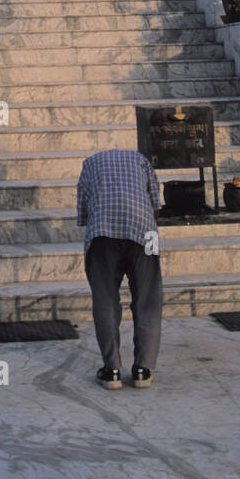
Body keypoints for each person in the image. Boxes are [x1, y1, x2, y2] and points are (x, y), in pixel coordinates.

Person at [76, 147, 163, 389]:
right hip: (143, 230)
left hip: (102, 232)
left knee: (105, 299)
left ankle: (112, 370)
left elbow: (83, 210)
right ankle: (143, 370)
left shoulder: (89, 163)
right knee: (148, 298)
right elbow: (156, 203)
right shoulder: (142, 160)